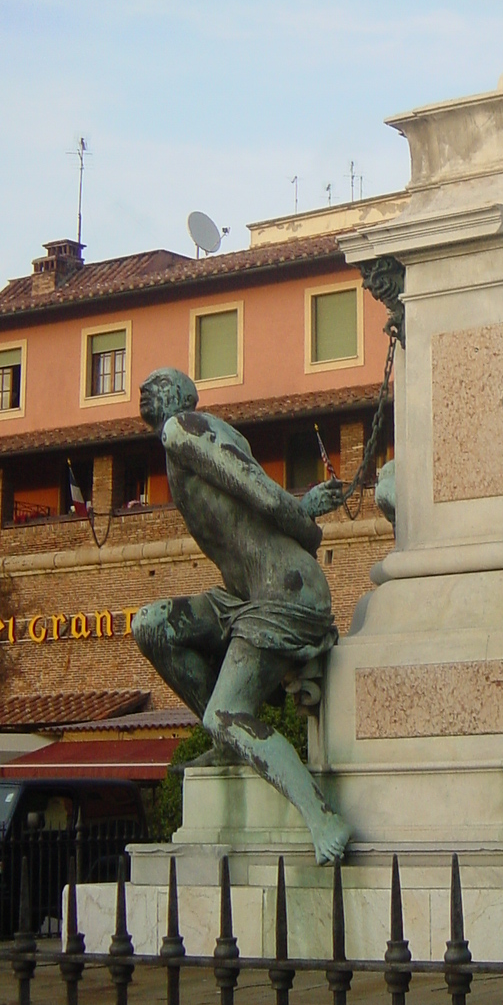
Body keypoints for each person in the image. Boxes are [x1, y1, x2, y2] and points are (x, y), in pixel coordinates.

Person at [131, 369, 350, 864]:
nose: (146, 388)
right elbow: (260, 497)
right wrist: (305, 508)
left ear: (185, 394)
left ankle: (322, 816)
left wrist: (305, 530)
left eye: (159, 381)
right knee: (152, 624)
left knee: (226, 713)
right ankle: (230, 742)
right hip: (241, 597)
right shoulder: (205, 436)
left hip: (282, 592)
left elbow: (263, 495)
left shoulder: (183, 427)